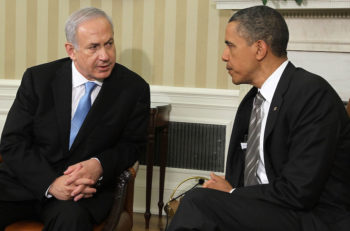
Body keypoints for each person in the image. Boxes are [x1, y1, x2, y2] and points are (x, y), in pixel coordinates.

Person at [167, 5, 350, 231]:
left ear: (259, 49)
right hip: (270, 210)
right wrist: (231, 191)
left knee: (197, 203)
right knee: (201, 200)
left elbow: (299, 192)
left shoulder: (312, 95)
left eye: (230, 46)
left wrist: (233, 194)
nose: (224, 56)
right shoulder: (252, 101)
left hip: (311, 217)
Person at [0, 7, 150, 231]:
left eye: (109, 43)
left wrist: (99, 165)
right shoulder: (38, 79)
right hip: (25, 185)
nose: (105, 55)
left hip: (82, 194)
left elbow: (132, 146)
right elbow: (13, 141)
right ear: (71, 50)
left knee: (70, 220)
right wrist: (50, 183)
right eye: (94, 47)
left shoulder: (133, 88)